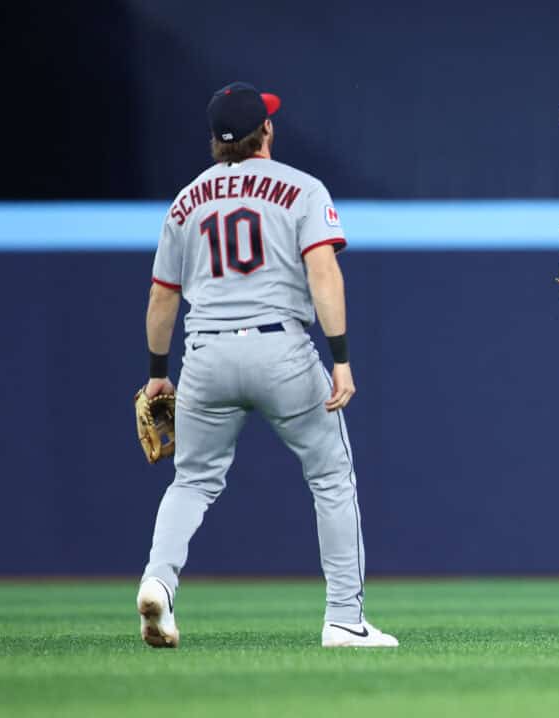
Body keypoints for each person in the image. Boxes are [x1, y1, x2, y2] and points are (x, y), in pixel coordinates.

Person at [135, 81, 398, 649]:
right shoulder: (301, 189)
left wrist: (159, 370)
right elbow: (324, 274)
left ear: (214, 141)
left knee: (194, 480)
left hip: (205, 354)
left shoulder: (185, 201)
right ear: (267, 131)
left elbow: (162, 297)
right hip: (281, 350)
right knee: (330, 476)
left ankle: (159, 581)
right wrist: (342, 360)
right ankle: (344, 619)